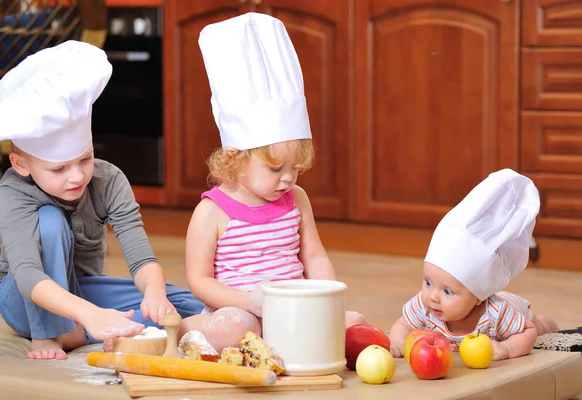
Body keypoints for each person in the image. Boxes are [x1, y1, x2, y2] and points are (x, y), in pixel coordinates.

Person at [0, 40, 204, 360]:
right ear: (21, 165)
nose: (77, 177)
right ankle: (51, 333)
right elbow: (29, 276)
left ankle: (86, 329)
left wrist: (155, 293)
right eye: (59, 168)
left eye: (85, 159)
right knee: (50, 220)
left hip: (83, 289)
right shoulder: (12, 192)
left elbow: (141, 259)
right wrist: (90, 314)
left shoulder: (108, 179)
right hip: (25, 298)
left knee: (180, 304)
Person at [174, 12, 366, 352]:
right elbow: (199, 280)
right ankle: (197, 328)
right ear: (234, 159)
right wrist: (249, 300)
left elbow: (315, 256)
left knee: (355, 323)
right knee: (236, 328)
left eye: (295, 167)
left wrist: (327, 295)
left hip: (294, 310)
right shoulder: (212, 212)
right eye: (275, 169)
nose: (288, 178)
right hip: (241, 309)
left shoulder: (297, 198)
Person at [388, 169, 559, 361]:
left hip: (515, 307)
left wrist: (507, 348)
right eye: (428, 282)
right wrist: (397, 341)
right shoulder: (424, 305)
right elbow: (402, 325)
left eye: (447, 292)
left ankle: (550, 324)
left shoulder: (497, 313)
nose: (433, 297)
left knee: (539, 327)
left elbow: (528, 331)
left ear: (478, 297)